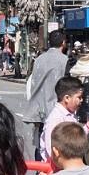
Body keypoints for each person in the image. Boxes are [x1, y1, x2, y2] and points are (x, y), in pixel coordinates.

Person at [24, 30, 68, 159]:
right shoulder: (64, 60)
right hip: (56, 107)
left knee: (40, 141)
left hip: (38, 107)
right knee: (56, 141)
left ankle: (40, 170)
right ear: (63, 43)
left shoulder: (39, 59)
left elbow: (32, 81)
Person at [39, 76, 86, 162]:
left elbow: (76, 137)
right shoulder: (56, 119)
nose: (82, 100)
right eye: (79, 97)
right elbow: (51, 147)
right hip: (55, 167)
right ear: (67, 98)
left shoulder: (71, 114)